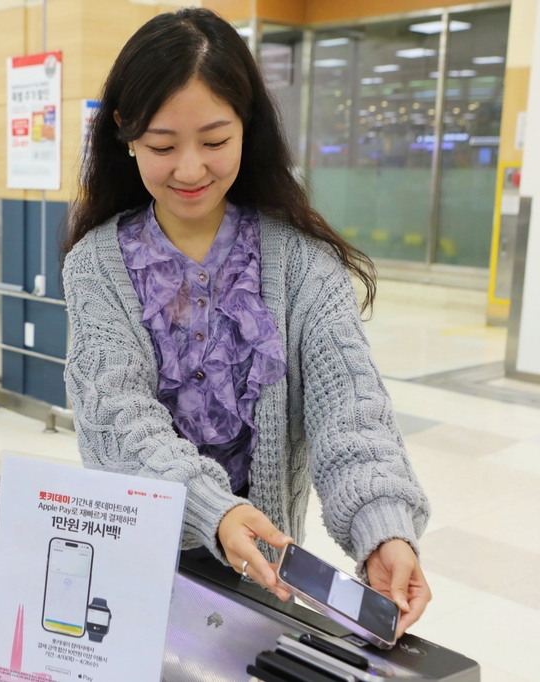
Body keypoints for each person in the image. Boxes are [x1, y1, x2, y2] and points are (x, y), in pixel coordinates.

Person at [62, 8, 431, 638]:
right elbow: (117, 414)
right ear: (124, 134)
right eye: (161, 145)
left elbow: (350, 404)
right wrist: (214, 510)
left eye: (213, 141)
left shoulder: (302, 264)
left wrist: (382, 526)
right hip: (139, 554)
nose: (188, 169)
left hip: (268, 575)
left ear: (247, 127)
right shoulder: (96, 265)